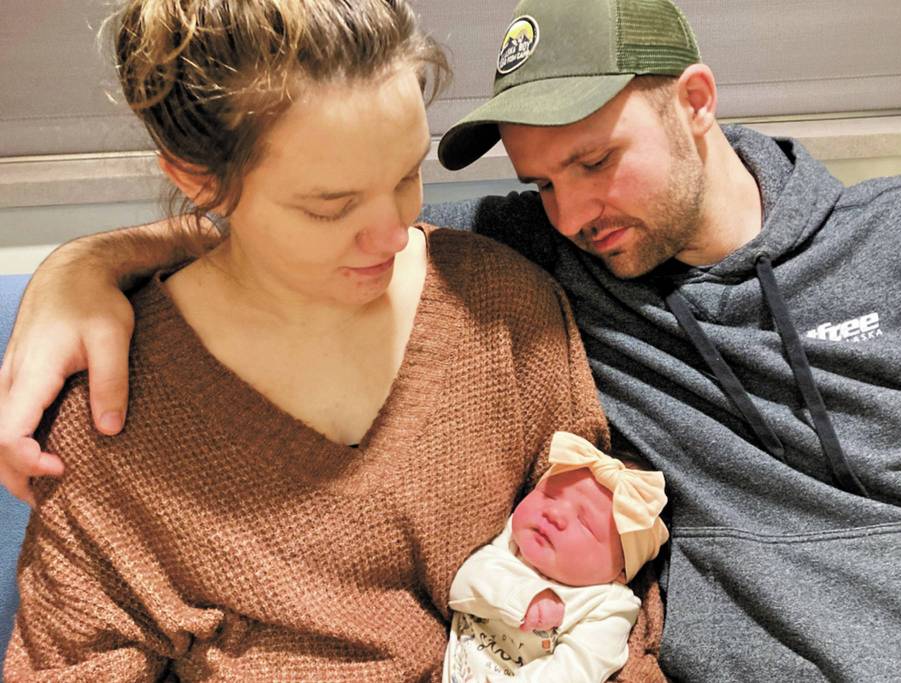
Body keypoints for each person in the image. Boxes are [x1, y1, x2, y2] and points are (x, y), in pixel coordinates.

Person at [0, 0, 901, 679]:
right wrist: (81, 265)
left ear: (696, 104)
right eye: (542, 182)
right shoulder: (526, 266)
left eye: (597, 160)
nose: (571, 213)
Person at [1, 0, 670, 680]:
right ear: (200, 181)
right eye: (332, 206)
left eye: (408, 174)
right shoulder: (115, 421)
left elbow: (617, 606)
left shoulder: (501, 309)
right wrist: (74, 265)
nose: (394, 232)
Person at [444, 431, 668, 682]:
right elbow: (460, 585)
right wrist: (522, 597)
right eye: (549, 495)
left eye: (585, 523)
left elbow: (578, 669)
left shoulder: (609, 605)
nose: (555, 514)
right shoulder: (511, 541)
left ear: (621, 572)